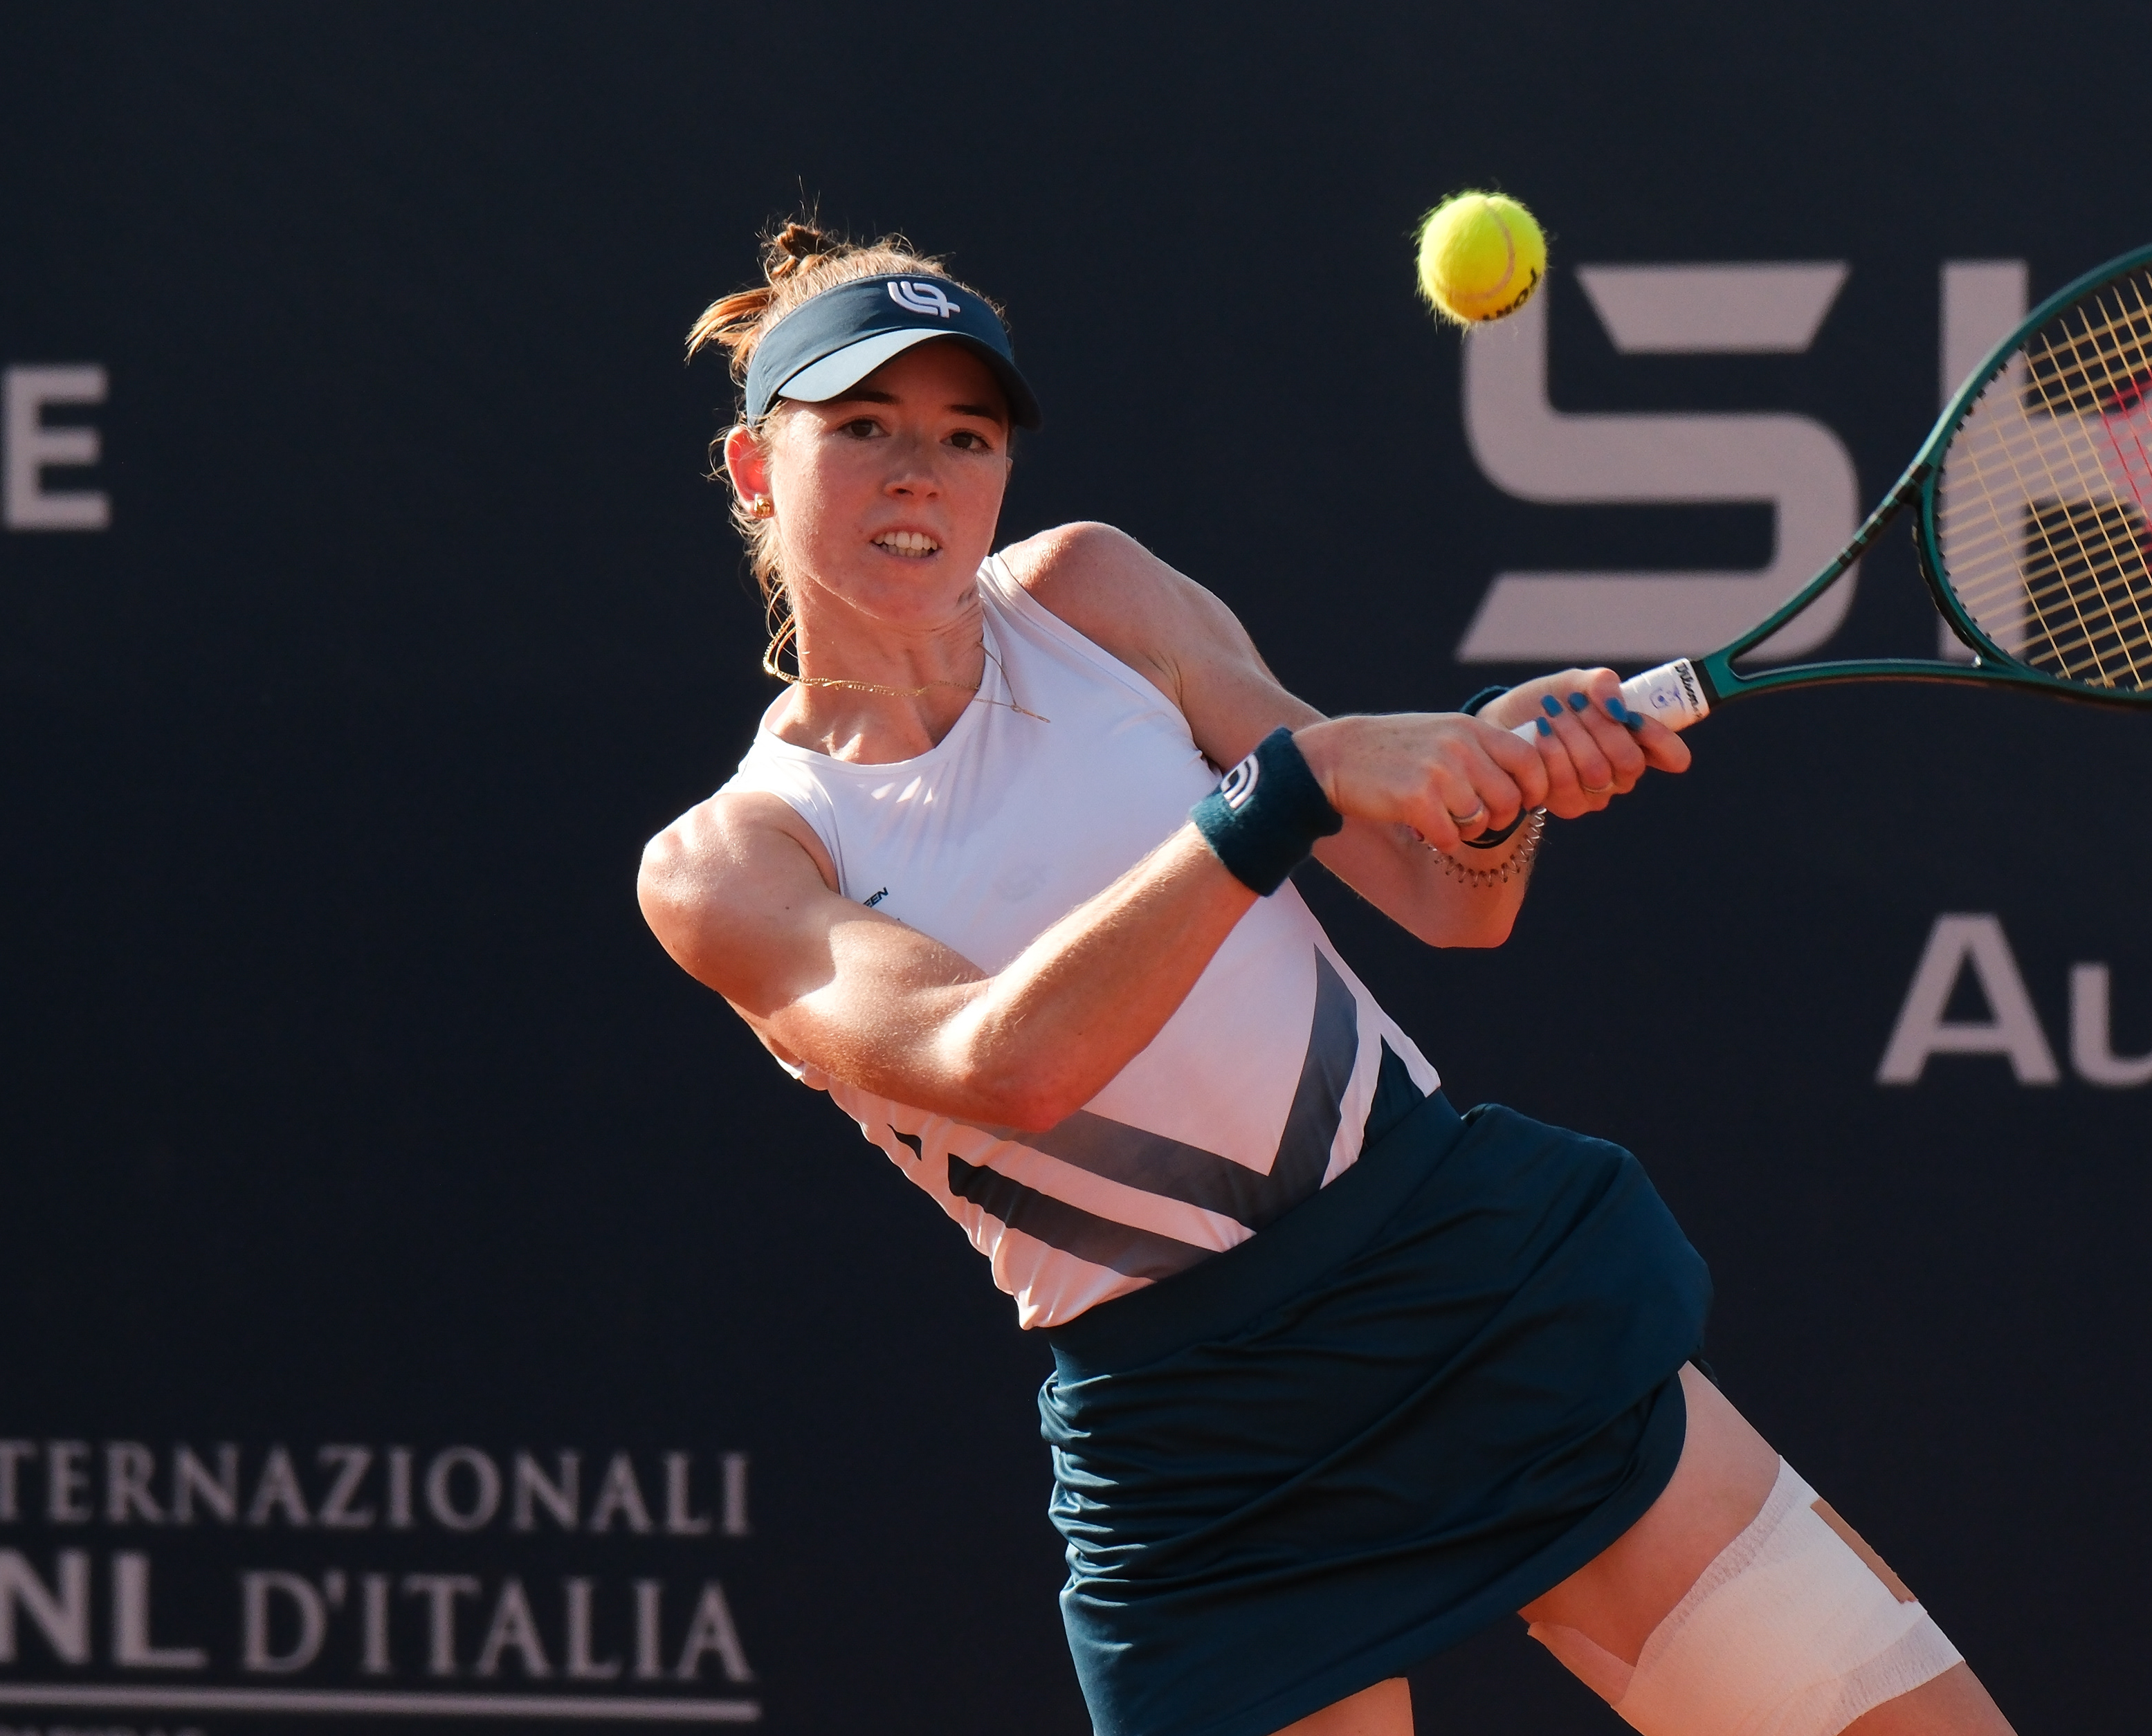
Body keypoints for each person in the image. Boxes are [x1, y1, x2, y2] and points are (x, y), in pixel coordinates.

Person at [638, 221, 2018, 1736]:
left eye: (966, 435)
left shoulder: (1094, 594)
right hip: (1209, 1458)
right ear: (755, 468)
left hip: (1467, 1291)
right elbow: (999, 1064)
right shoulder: (734, 860)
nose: (922, 474)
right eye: (864, 428)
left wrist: (1497, 804)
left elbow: (1447, 901)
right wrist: (1283, 792)